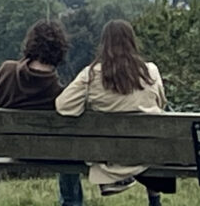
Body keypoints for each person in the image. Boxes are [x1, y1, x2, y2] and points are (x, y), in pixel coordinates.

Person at [55, 19, 173, 206]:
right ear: (133, 42)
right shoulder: (150, 71)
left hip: (109, 158)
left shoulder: (91, 74)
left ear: (103, 44)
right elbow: (161, 103)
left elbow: (63, 106)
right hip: (148, 154)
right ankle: (154, 200)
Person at [0, 19, 84, 206]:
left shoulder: (5, 71)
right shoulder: (59, 94)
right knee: (70, 149)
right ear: (60, 52)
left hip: (11, 147)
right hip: (49, 152)